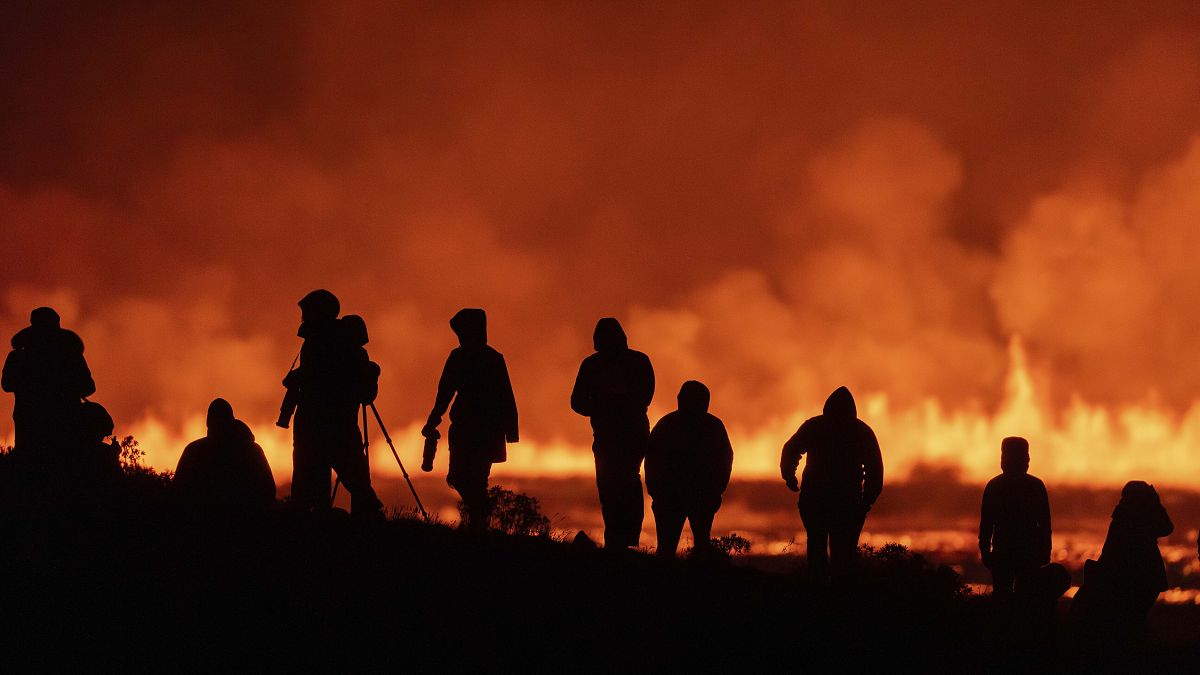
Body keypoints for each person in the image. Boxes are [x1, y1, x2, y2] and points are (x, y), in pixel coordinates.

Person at [282, 290, 382, 516]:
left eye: (307, 311)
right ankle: (368, 521)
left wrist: (298, 377)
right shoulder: (338, 341)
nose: (303, 317)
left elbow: (321, 376)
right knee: (354, 477)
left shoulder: (319, 342)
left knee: (314, 478)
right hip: (339, 422)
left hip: (318, 422)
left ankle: (324, 526)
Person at [421, 309, 518, 532]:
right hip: (472, 429)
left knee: (474, 478)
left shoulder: (483, 358)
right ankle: (479, 516)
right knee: (460, 477)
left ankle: (477, 525)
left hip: (482, 430)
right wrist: (434, 418)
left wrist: (511, 430)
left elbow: (504, 394)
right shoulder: (470, 357)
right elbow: (445, 391)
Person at [780, 386, 883, 582]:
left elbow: (790, 450)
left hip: (815, 501)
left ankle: (817, 594)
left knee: (816, 548)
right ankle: (839, 599)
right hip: (847, 503)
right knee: (844, 556)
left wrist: (789, 476)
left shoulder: (814, 426)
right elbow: (875, 471)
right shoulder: (862, 431)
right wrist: (866, 502)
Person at [570, 318, 654, 548]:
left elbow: (577, 402)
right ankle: (621, 538)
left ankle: (621, 538)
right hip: (617, 434)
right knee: (619, 483)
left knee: (616, 483)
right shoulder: (637, 361)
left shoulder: (596, 364)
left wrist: (603, 404)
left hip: (620, 434)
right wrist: (605, 404)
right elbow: (577, 402)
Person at [645, 381, 733, 558]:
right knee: (692, 547)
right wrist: (716, 492)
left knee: (670, 549)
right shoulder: (713, 426)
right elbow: (725, 461)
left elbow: (651, 461)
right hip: (681, 498)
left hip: (688, 497)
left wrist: (715, 493)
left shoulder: (667, 424)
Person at [1073, 481, 1173, 636]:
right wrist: (1156, 502)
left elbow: (1167, 528)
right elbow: (1166, 527)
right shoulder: (1136, 518)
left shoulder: (1124, 517)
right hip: (1136, 576)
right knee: (1133, 619)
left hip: (1133, 576)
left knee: (1132, 619)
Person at [2, 307, 95, 460]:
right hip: (65, 426)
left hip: (28, 427)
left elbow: (7, 385)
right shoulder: (70, 356)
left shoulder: (18, 356)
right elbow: (88, 387)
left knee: (29, 472)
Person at [978, 437, 1052, 601]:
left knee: (1005, 598)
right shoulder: (1035, 486)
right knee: (1023, 598)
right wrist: (1045, 550)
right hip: (1024, 552)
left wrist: (985, 551)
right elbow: (1045, 525)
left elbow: (986, 525)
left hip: (1008, 552)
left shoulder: (994, 486)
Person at [175, 398, 275, 514]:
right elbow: (268, 491)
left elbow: (179, 491)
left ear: (208, 421)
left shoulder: (193, 450)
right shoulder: (253, 450)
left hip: (204, 522)